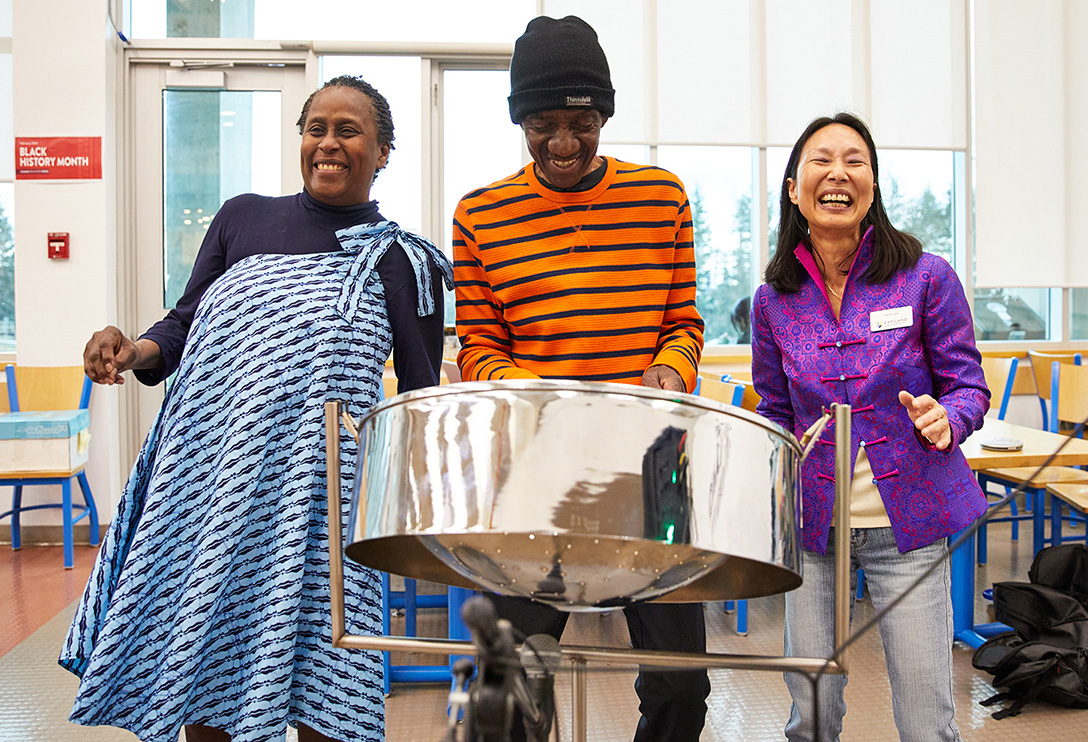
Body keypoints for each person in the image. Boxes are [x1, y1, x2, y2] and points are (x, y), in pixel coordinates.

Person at [61, 75, 452, 742]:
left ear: (384, 150)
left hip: (319, 515)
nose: (327, 144)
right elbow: (181, 329)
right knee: (207, 678)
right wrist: (132, 350)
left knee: (331, 695)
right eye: (315, 129)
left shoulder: (400, 262)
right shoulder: (241, 218)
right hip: (212, 491)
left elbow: (419, 402)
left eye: (348, 131)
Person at [452, 15, 708, 742]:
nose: (563, 143)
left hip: (655, 468)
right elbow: (479, 346)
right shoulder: (480, 215)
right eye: (542, 124)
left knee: (681, 684)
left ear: (605, 116)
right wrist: (543, 399)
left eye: (582, 121)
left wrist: (669, 368)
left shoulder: (663, 198)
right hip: (537, 473)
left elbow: (684, 324)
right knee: (503, 685)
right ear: (519, 122)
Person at [751, 112, 989, 742]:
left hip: (907, 521)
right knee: (813, 714)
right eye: (820, 160)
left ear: (874, 186)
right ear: (794, 187)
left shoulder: (925, 276)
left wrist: (949, 417)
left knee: (924, 717)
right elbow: (774, 409)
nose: (838, 172)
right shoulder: (773, 299)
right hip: (812, 525)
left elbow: (968, 385)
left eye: (855, 160)